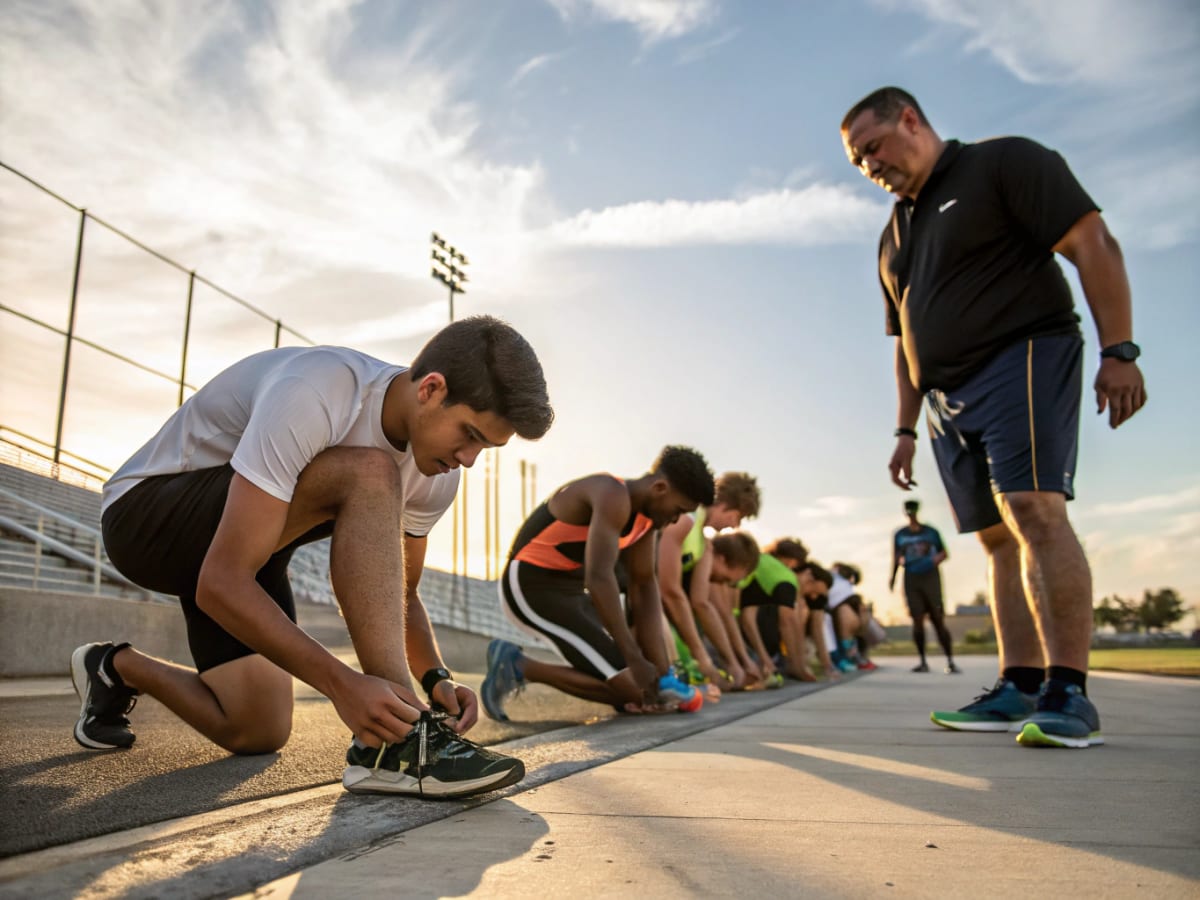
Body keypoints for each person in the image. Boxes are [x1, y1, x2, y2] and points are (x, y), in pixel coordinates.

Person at [74, 316, 554, 798]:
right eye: (469, 434)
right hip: (145, 518)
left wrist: (436, 677)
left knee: (256, 729)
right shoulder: (319, 391)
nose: (469, 458)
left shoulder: (438, 472)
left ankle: (115, 667)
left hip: (256, 544)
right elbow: (220, 582)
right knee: (371, 471)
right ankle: (394, 746)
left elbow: (400, 592)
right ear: (430, 388)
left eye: (486, 448)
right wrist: (344, 685)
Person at [842, 87, 1147, 748]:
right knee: (994, 538)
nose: (869, 166)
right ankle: (1018, 683)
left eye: (873, 147)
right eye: (857, 161)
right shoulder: (892, 235)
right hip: (944, 401)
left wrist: (1119, 351)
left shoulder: (1003, 164)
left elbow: (1092, 241)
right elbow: (906, 345)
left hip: (1023, 353)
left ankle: (1068, 692)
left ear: (911, 120)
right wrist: (903, 428)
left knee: (1034, 510)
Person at [481, 446, 716, 720]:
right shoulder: (611, 493)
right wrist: (634, 658)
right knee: (634, 689)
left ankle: (632, 687)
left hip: (570, 593)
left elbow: (643, 586)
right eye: (678, 510)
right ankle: (517, 665)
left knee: (650, 692)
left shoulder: (648, 520)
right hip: (531, 587)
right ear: (661, 488)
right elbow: (599, 577)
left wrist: (663, 674)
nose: (675, 520)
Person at [657, 471, 762, 689]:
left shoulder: (704, 543)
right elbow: (669, 590)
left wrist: (734, 663)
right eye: (737, 517)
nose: (735, 526)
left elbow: (702, 602)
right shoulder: (686, 517)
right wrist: (704, 661)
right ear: (724, 505)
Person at [889, 500, 958, 674]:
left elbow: (944, 552)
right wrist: (893, 577)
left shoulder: (931, 532)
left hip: (930, 577)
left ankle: (950, 660)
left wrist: (932, 561)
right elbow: (896, 557)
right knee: (917, 619)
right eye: (908, 510)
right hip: (911, 577)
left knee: (937, 618)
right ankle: (922, 661)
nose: (911, 513)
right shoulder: (900, 534)